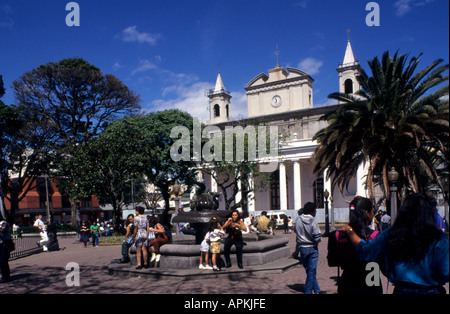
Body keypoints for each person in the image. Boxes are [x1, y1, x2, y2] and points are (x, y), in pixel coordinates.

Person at [340, 193, 449, 294]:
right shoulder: (439, 239)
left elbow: (365, 251)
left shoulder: (390, 234)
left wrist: (350, 232)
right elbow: (445, 272)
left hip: (402, 289)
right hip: (432, 290)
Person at [327, 196, 382, 294]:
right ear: (367, 213)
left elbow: (332, 261)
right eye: (372, 211)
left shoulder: (336, 235)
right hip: (371, 279)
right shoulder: (376, 236)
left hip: (348, 281)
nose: (373, 214)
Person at [295, 202, 322, 294]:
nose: (316, 212)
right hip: (312, 248)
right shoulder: (313, 221)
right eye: (315, 210)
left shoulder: (298, 219)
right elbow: (317, 237)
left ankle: (317, 290)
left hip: (302, 247)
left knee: (309, 271)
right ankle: (308, 291)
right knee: (311, 271)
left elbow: (296, 231)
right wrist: (316, 241)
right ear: (312, 211)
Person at [0, 217, 12, 283]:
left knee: (3, 261)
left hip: (4, 245)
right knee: (1, 262)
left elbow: (2, 230)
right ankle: (4, 276)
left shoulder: (4, 223)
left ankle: (6, 277)